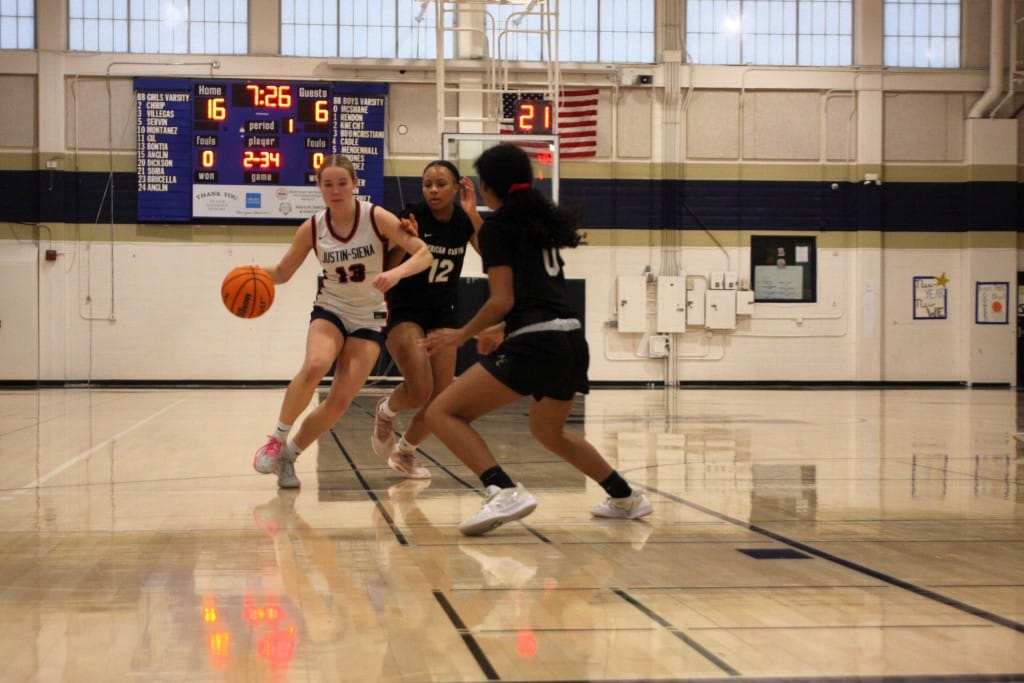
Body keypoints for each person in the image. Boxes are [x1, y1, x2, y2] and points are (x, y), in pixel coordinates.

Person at [422, 143, 652, 536]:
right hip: (569, 340)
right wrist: (501, 331)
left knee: (441, 413)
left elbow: (503, 300)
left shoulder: (498, 228)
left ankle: (502, 489)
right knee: (549, 432)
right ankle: (626, 497)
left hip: (537, 343)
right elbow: (537, 298)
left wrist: (462, 334)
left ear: (487, 185)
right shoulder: (536, 226)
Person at [252, 154, 432, 489]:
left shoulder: (376, 217)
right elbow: (283, 272)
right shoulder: (314, 227)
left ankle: (288, 456)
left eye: (342, 183)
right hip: (331, 307)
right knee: (315, 365)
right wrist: (252, 274)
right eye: (328, 184)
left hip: (369, 316)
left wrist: (395, 273)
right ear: (319, 188)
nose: (335, 190)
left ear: (354, 185)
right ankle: (275, 439)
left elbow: (424, 253)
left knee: (339, 401)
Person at [370, 160, 483, 479]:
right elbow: (388, 265)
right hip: (405, 308)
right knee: (420, 390)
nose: (433, 190)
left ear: (457, 187)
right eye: (427, 184)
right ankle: (386, 410)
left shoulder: (463, 220)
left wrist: (473, 214)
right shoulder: (412, 213)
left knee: (440, 400)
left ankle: (405, 453)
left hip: (443, 312)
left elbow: (492, 256)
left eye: (440, 184)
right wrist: (405, 244)